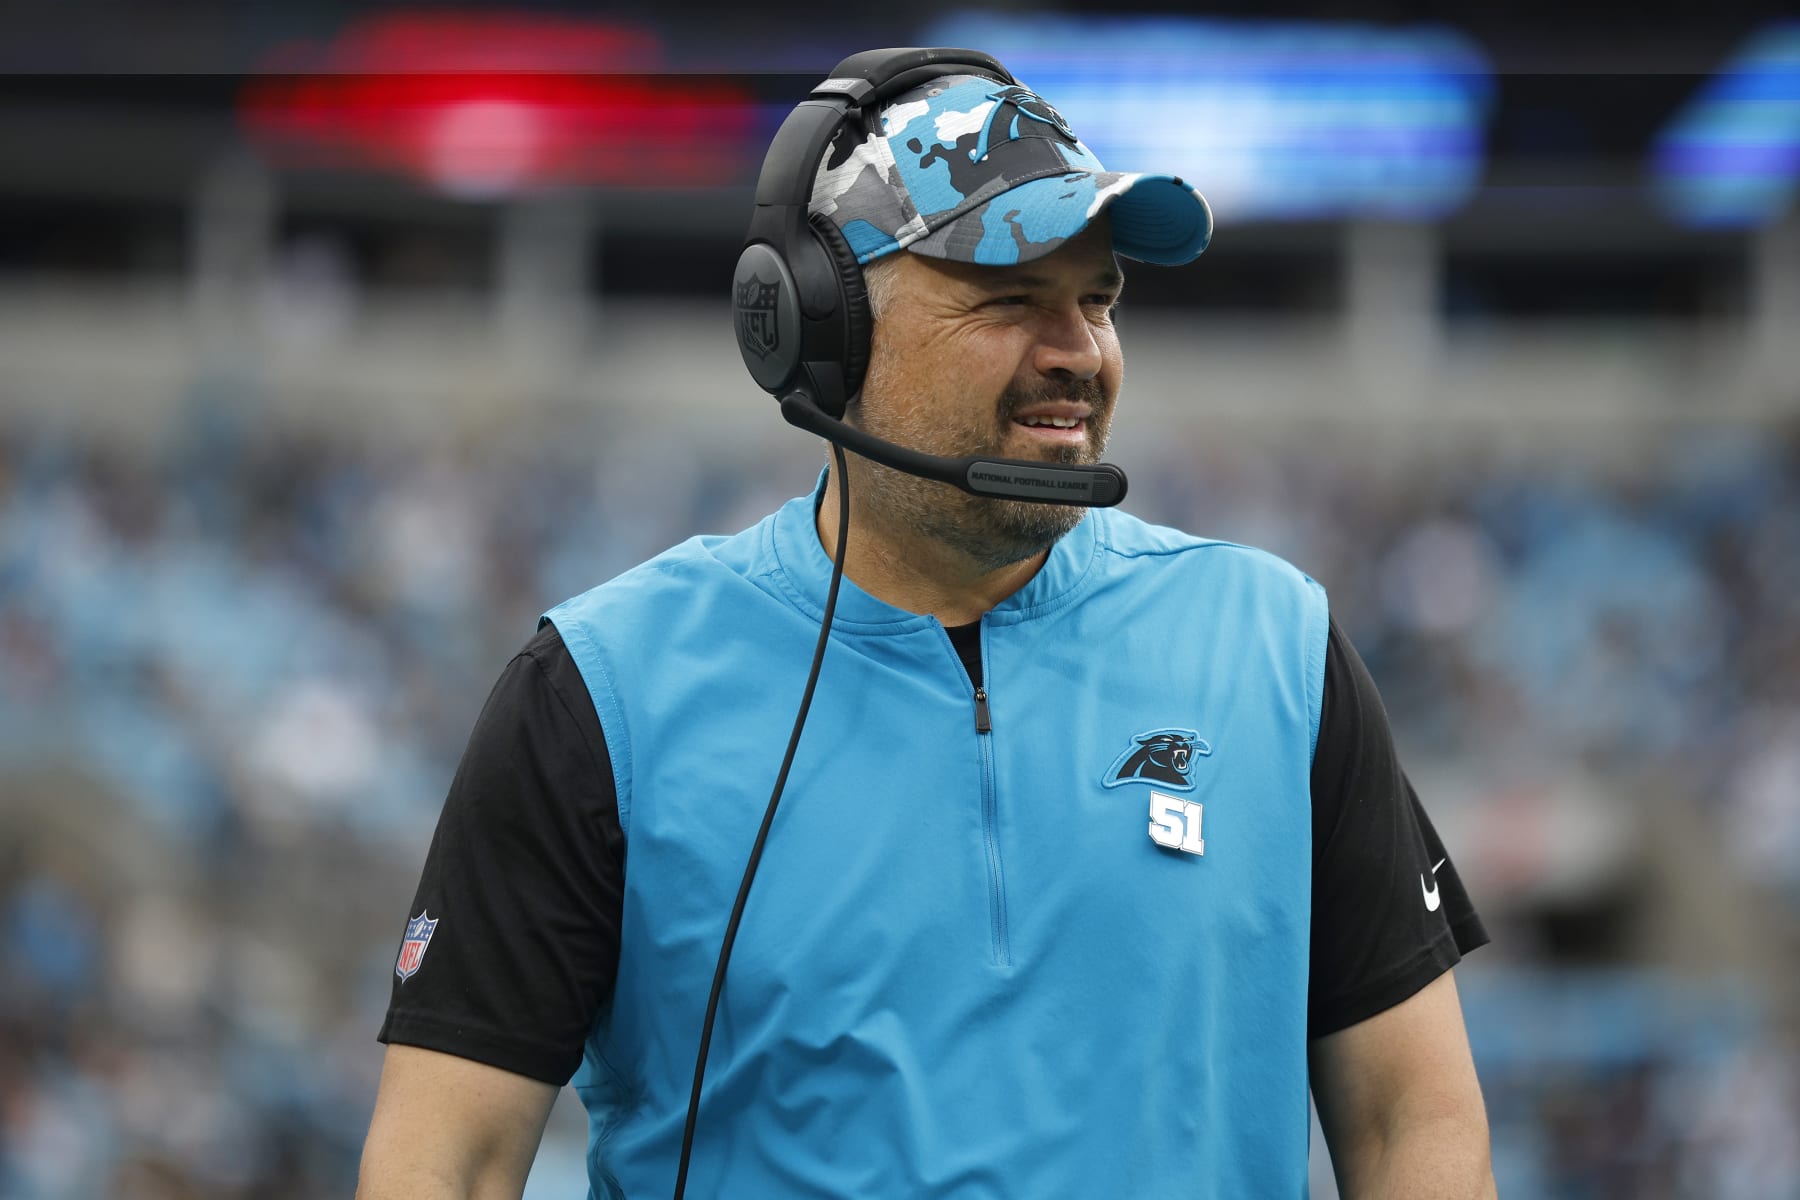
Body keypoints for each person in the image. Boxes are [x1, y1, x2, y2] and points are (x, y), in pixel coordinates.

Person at [357, 49, 1495, 1200]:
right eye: (1008, 299)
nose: (1077, 353)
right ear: (823, 327)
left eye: (1096, 300)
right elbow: (444, 1162)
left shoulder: (1274, 646)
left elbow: (1415, 1121)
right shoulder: (607, 691)